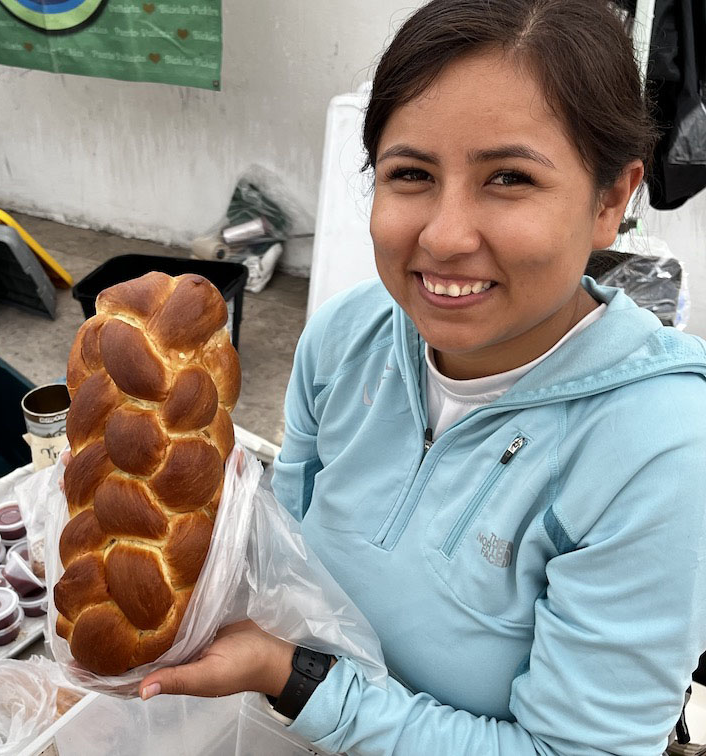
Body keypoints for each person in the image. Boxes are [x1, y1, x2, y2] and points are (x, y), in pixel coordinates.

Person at [138, 0, 706, 752]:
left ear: (611, 200)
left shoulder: (658, 452)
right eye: (410, 174)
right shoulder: (345, 340)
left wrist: (294, 679)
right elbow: (288, 555)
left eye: (508, 178)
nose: (443, 236)